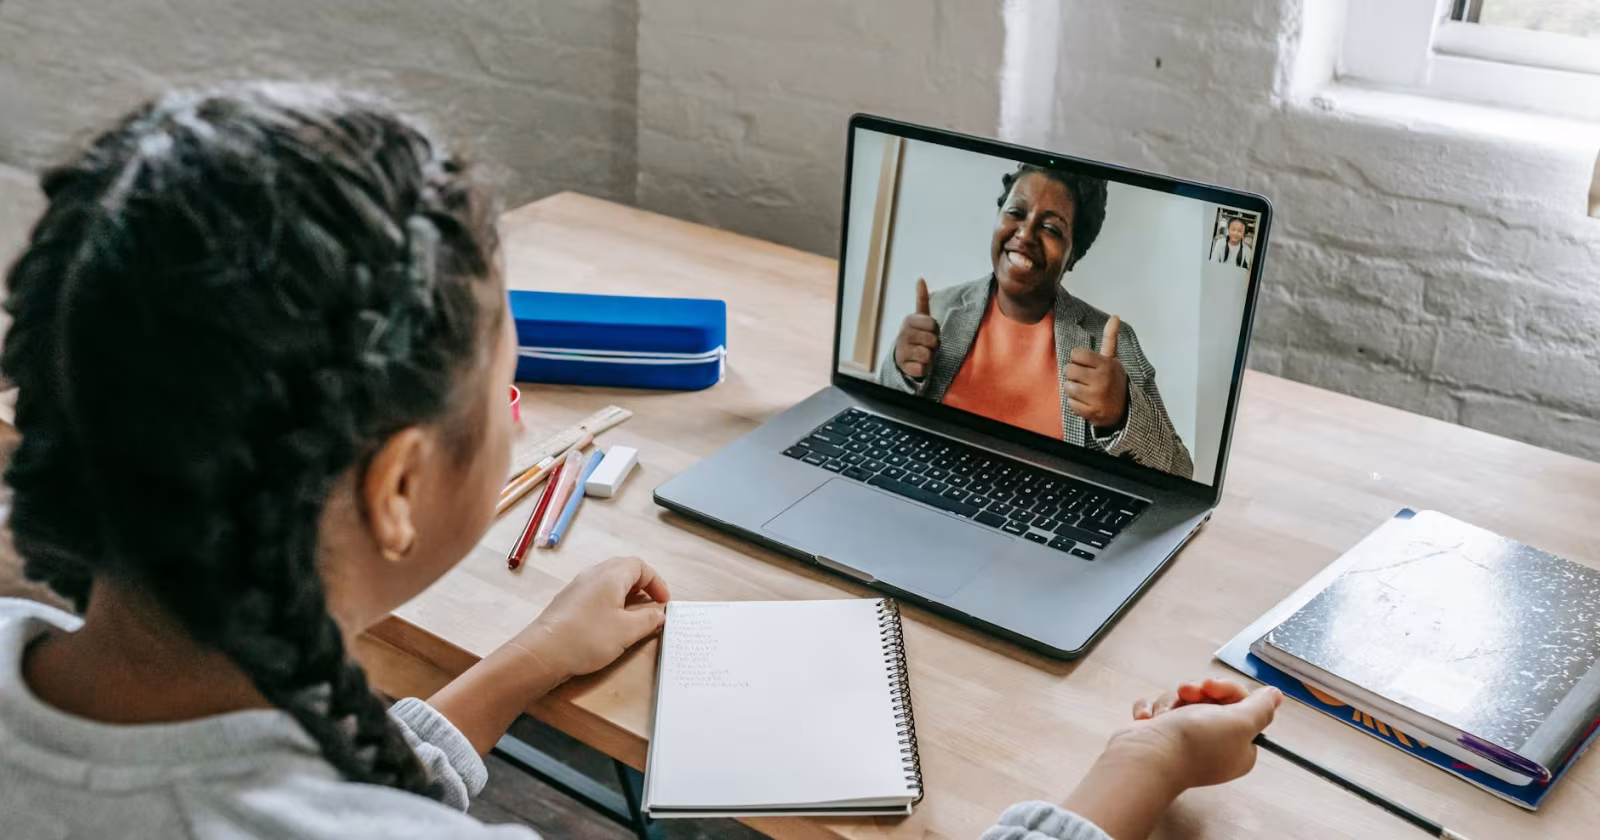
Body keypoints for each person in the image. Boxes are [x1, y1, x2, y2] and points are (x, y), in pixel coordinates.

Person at [0, 84, 1277, 840]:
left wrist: (515, 670)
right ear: (395, 489)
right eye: (505, 374)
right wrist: (1131, 774)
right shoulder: (936, 303)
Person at [878, 164, 1193, 479]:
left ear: (1073, 256)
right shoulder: (939, 310)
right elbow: (884, 426)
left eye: (1052, 229)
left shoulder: (1111, 341)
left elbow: (1180, 473)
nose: (1025, 235)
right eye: (1016, 212)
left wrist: (1122, 414)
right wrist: (900, 370)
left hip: (1046, 518)